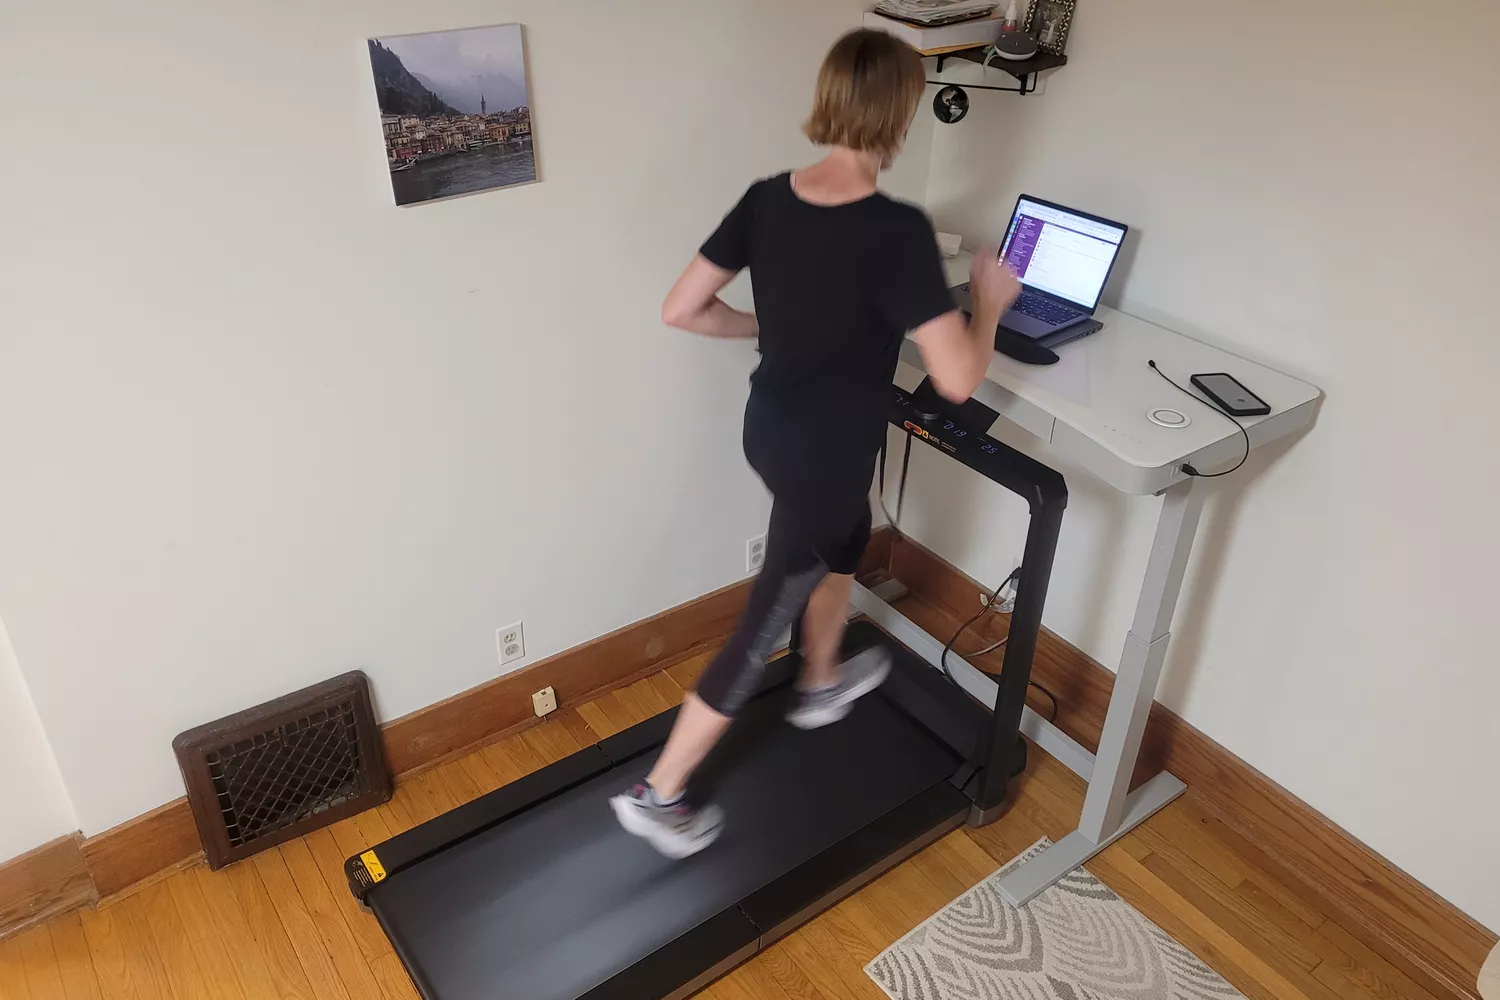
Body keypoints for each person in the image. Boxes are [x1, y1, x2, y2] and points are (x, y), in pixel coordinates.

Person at [610, 28, 1022, 859]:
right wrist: (991, 302)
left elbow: (679, 308)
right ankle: (660, 794)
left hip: (770, 430)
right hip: (826, 455)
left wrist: (768, 325)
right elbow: (958, 380)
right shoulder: (897, 230)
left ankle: (822, 679)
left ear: (831, 100)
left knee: (840, 540)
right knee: (766, 615)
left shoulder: (767, 198)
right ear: (901, 117)